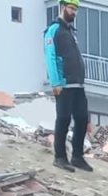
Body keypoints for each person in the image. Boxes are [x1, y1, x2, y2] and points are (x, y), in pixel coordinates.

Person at [44, 0, 91, 172]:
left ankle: (77, 156)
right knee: (63, 119)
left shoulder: (71, 32)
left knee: (82, 118)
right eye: (71, 8)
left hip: (78, 84)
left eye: (76, 9)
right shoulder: (53, 30)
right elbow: (50, 57)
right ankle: (60, 157)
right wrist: (55, 82)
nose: (74, 12)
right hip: (63, 83)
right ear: (63, 8)